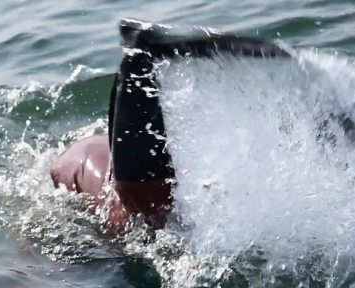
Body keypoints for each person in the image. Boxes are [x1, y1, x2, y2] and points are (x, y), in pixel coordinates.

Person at [50, 19, 290, 229]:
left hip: (91, 158)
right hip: (87, 159)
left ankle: (139, 53)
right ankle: (139, 53)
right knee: (148, 216)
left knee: (147, 214)